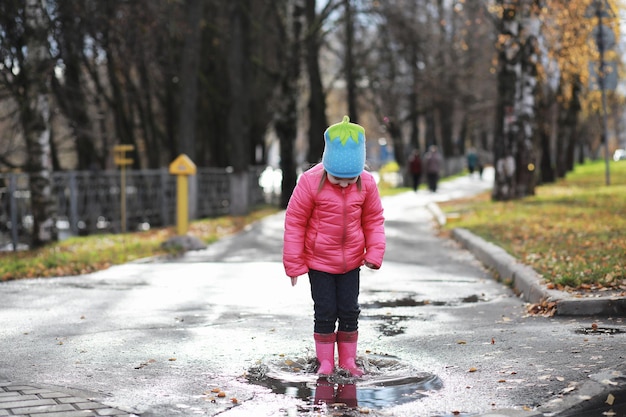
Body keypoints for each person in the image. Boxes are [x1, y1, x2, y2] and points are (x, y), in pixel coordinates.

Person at [283, 115, 386, 377]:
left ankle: (348, 362)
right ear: (326, 164)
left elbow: (373, 220)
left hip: (352, 261)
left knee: (350, 310)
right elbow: (295, 222)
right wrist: (295, 264)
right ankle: (326, 363)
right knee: (326, 310)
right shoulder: (309, 182)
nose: (343, 184)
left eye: (349, 179)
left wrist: (374, 253)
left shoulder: (367, 184)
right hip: (319, 262)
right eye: (337, 178)